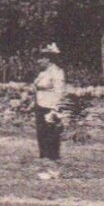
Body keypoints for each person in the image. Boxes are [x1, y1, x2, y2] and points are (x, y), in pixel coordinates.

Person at [32, 43, 66, 180]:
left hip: (50, 109)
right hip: (41, 107)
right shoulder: (43, 73)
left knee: (51, 138)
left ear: (48, 59)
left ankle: (54, 169)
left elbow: (60, 92)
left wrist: (55, 111)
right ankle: (46, 167)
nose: (39, 61)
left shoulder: (57, 72)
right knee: (42, 137)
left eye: (41, 58)